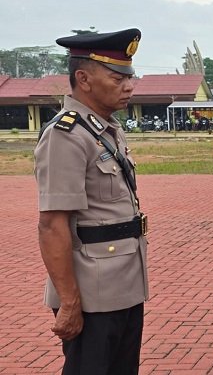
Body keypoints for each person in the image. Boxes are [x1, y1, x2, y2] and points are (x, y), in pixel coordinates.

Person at [35, 28, 148, 375]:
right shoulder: (65, 136)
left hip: (123, 284)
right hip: (91, 293)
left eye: (129, 77)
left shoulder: (106, 129)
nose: (128, 86)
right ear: (83, 79)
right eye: (117, 78)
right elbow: (52, 225)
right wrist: (69, 302)